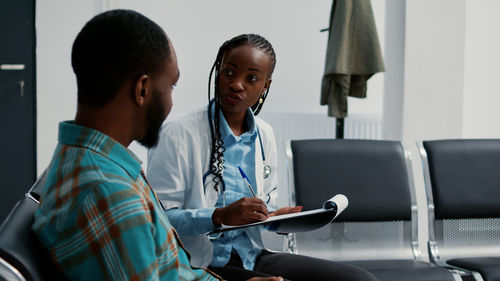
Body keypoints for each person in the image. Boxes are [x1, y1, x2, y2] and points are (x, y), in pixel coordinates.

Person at [32, 10, 283, 281]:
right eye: (171, 86)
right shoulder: (109, 194)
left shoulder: (100, 163)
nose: (172, 103)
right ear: (142, 90)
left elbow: (173, 271)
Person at [147, 34, 378, 281]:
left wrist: (275, 217)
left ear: (265, 85)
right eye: (228, 73)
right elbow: (159, 221)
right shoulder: (176, 136)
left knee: (360, 279)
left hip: (252, 255)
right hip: (199, 264)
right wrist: (218, 216)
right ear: (217, 73)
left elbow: (262, 206)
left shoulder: (264, 135)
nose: (236, 84)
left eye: (252, 78)